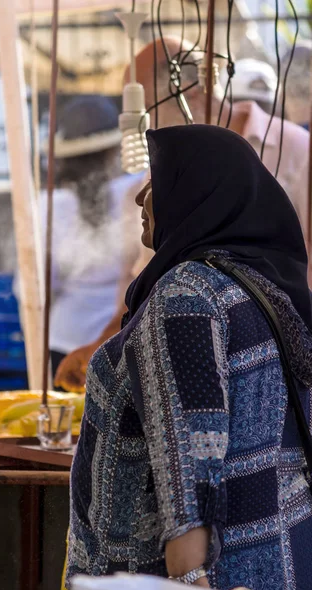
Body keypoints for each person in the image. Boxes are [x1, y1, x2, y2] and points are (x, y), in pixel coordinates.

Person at [66, 124, 312, 590]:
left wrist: (186, 579)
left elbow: (189, 444)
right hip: (277, 563)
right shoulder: (262, 289)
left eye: (157, 180)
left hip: (190, 576)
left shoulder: (186, 295)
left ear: (198, 192)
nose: (141, 198)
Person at [55, 37, 312, 392]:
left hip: (275, 372)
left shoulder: (298, 151)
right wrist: (101, 348)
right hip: (182, 369)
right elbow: (140, 278)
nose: (139, 124)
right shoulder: (165, 171)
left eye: (145, 107)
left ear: (186, 91)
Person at [23, 95, 141, 377]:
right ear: (116, 149)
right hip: (123, 336)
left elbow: (39, 286)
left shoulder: (47, 206)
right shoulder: (138, 189)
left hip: (65, 340)